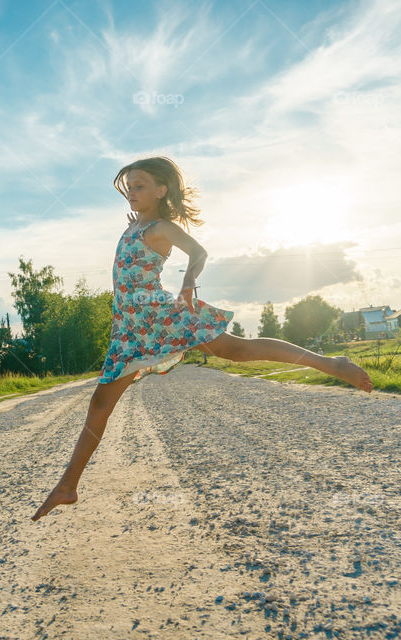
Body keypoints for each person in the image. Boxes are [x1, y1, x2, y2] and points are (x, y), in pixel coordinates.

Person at [31, 157, 372, 521]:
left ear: (161, 190)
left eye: (140, 185)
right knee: (99, 404)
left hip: (161, 316)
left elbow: (198, 251)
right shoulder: (137, 226)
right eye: (129, 186)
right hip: (129, 329)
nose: (132, 192)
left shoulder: (162, 227)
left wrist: (189, 280)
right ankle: (68, 486)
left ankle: (332, 364)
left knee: (238, 350)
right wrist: (140, 221)